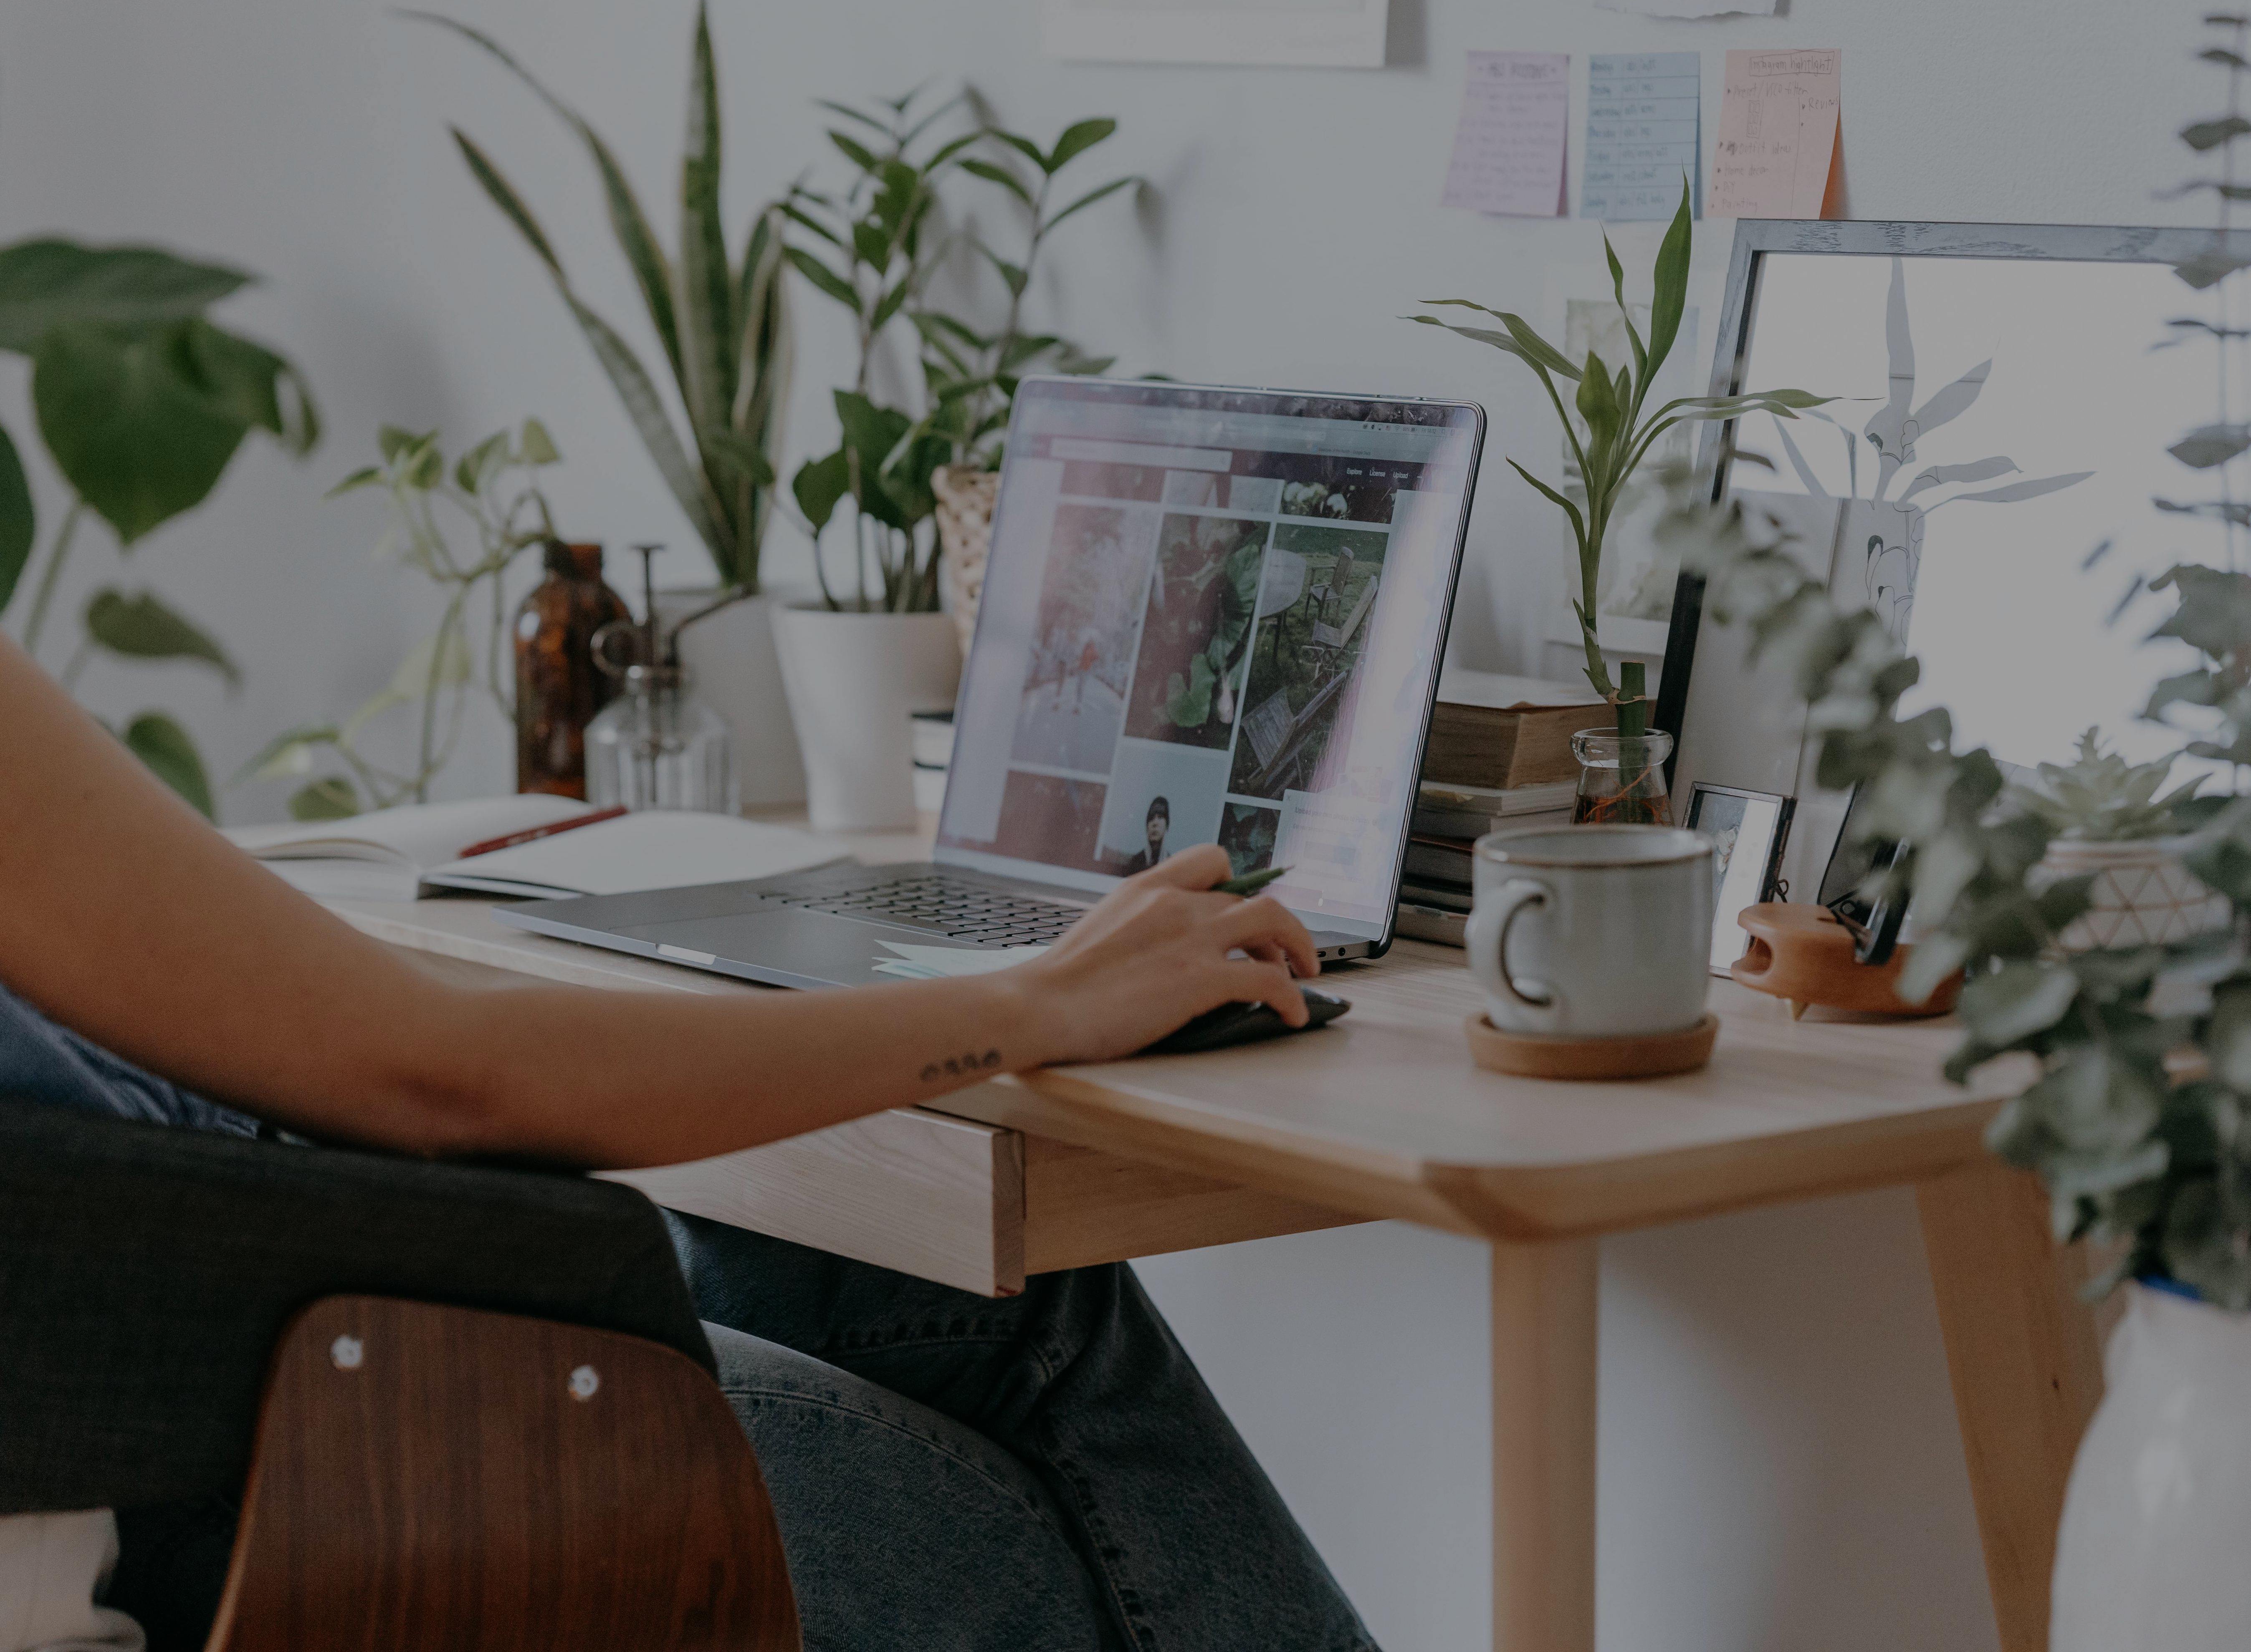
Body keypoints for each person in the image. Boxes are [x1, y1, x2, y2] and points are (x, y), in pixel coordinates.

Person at [0, 633, 1375, 1652]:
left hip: (226, 1332)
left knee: (996, 1300)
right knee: (1082, 1553)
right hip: (287, 1443)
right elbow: (444, 1077)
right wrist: (1035, 1003)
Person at [1124, 794, 1171, 876]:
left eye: (1160, 817)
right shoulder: (1134, 864)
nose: (1155, 823)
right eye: (1151, 818)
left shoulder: (1172, 865)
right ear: (1147, 826)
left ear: (1167, 825)